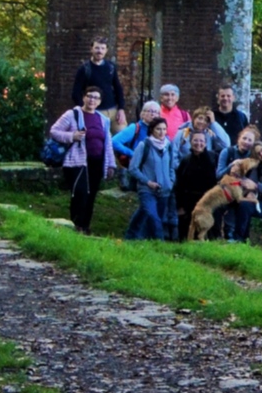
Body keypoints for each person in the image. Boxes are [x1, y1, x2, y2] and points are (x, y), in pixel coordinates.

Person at [49, 86, 115, 234]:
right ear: (84, 97)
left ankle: (85, 226)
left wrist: (111, 164)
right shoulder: (72, 114)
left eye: (96, 98)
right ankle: (76, 225)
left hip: (96, 162)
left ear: (100, 102)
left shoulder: (103, 119)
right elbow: (54, 131)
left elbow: (108, 142)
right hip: (76, 162)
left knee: (91, 195)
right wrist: (72, 136)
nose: (92, 100)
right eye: (89, 96)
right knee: (80, 193)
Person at [122, 116, 177, 242]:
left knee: (143, 212)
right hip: (146, 189)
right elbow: (133, 168)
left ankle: (131, 236)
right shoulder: (144, 145)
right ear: (152, 130)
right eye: (158, 129)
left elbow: (171, 166)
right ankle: (159, 243)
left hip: (164, 190)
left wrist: (171, 181)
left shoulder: (168, 146)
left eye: (164, 129)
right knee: (154, 217)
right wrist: (147, 182)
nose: (162, 132)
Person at [173, 127, 220, 243]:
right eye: (195, 140)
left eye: (201, 141)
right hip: (188, 202)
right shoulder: (185, 160)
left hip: (209, 201)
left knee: (211, 231)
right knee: (186, 234)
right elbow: (179, 185)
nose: (198, 144)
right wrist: (180, 206)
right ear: (190, 142)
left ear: (205, 143)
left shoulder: (213, 158)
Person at [216, 126, 261, 243]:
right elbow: (218, 175)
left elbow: (254, 179)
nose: (246, 142)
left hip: (244, 191)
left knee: (244, 206)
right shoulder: (227, 152)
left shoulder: (254, 158)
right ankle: (217, 236)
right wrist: (232, 165)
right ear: (238, 139)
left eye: (250, 140)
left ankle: (240, 237)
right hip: (226, 188)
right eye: (244, 138)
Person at [69, 39, 126, 129]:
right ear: (91, 49)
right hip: (96, 112)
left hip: (113, 111)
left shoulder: (110, 67)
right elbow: (76, 93)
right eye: (97, 48)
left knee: (123, 139)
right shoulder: (84, 69)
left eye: (102, 48)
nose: (100, 51)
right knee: (99, 140)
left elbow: (118, 88)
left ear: (106, 51)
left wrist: (121, 109)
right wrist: (86, 111)